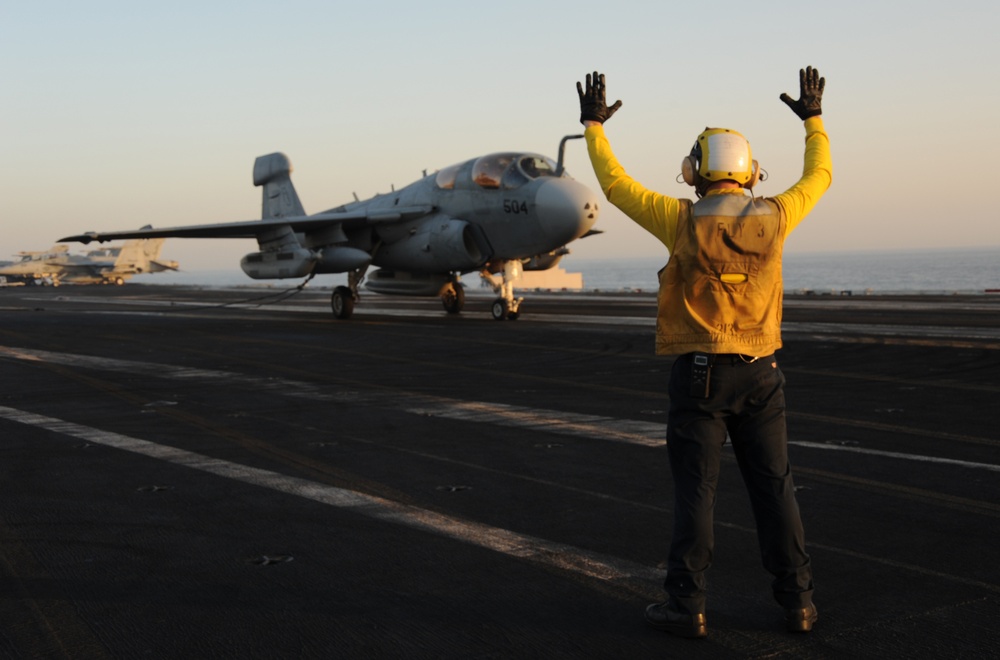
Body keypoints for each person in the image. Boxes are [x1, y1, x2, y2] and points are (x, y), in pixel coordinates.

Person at [576, 67, 832, 638]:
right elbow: (821, 176)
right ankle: (800, 604)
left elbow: (615, 184)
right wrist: (813, 120)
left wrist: (593, 127)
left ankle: (686, 604)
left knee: (697, 492)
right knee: (776, 488)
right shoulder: (777, 215)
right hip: (762, 374)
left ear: (697, 170)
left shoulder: (680, 219)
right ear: (750, 172)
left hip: (700, 379)